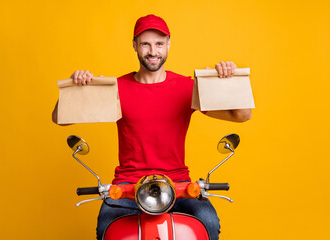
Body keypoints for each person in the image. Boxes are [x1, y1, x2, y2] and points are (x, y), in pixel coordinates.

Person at [52, 14, 251, 240]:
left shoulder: (187, 87)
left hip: (178, 185)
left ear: (168, 45)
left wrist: (231, 78)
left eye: (159, 44)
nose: (153, 51)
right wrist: (77, 86)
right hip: (128, 185)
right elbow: (60, 118)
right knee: (106, 228)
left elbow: (242, 115)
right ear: (135, 46)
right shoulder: (116, 89)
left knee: (209, 223)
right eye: (145, 44)